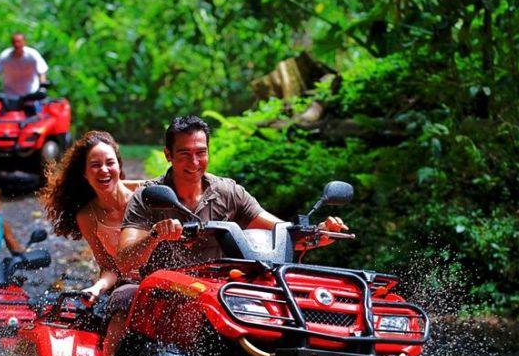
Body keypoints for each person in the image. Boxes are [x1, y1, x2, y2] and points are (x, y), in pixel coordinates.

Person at [114, 113, 348, 288]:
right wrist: (156, 236)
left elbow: (281, 234)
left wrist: (318, 232)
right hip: (163, 292)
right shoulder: (147, 196)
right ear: (168, 154)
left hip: (223, 294)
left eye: (201, 152)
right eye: (185, 154)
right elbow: (124, 261)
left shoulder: (229, 192)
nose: (194, 162)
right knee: (124, 303)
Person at [40, 130, 145, 302]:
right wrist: (97, 288)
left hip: (162, 280)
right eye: (95, 165)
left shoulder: (145, 192)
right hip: (125, 289)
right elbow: (109, 268)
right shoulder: (86, 216)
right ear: (84, 173)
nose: (104, 170)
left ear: (119, 165)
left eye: (110, 163)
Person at [0, 32, 49, 98]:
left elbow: (41, 71)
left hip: (30, 94)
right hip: (10, 95)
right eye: (14, 42)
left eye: (19, 42)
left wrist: (42, 87)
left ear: (24, 43)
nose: (17, 44)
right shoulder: (5, 56)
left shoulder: (32, 55)